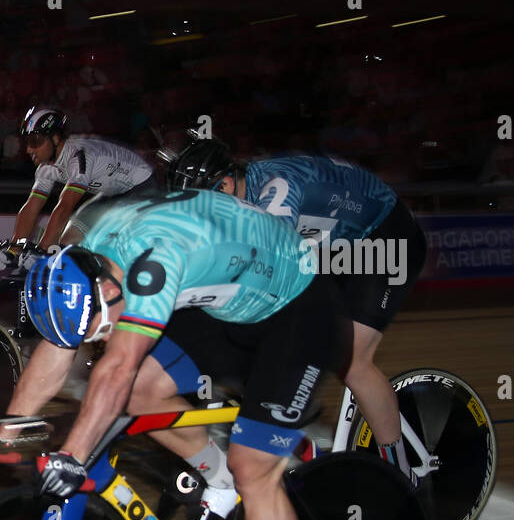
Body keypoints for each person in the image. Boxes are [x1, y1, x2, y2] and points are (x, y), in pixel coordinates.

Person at [0, 189, 351, 520]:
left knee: (253, 468)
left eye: (93, 329)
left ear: (108, 293)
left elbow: (116, 368)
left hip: (298, 309)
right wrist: (10, 428)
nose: (89, 342)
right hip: (224, 300)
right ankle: (220, 485)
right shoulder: (86, 262)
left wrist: (73, 457)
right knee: (142, 396)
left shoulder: (152, 264)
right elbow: (59, 346)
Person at [165, 136, 427, 483]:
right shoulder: (237, 196)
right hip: (333, 243)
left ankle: (403, 471)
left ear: (226, 184)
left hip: (386, 240)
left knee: (352, 361)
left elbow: (268, 282)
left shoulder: (277, 195)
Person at [0, 106, 155, 274]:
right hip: (111, 194)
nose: (29, 149)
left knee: (114, 249)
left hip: (140, 187)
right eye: (27, 142)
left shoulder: (79, 156)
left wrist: (42, 251)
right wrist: (14, 248)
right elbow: (32, 206)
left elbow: (65, 207)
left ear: (54, 138)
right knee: (67, 240)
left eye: (35, 141)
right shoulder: (45, 168)